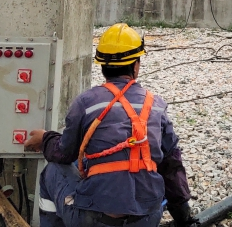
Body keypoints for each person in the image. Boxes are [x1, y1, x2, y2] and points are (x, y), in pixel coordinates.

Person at [25, 23, 194, 227]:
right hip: (146, 219)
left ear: (102, 66)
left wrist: (45, 139)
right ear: (136, 65)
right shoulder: (156, 105)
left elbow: (64, 154)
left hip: (95, 220)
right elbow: (171, 165)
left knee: (52, 171)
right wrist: (184, 218)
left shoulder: (86, 103)